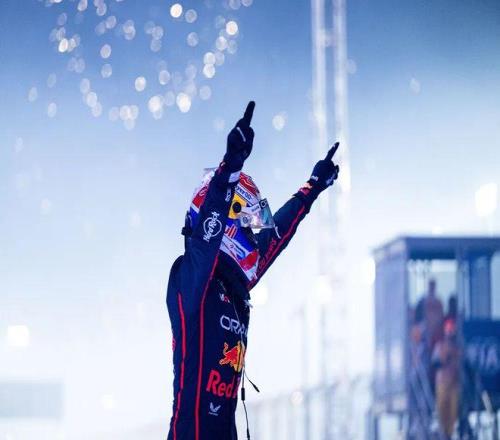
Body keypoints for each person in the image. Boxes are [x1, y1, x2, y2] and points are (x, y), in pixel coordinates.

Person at [166, 101, 340, 440]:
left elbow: (273, 240)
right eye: (247, 224)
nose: (254, 235)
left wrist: (311, 188)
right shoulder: (191, 278)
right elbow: (207, 236)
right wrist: (230, 167)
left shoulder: (235, 287)